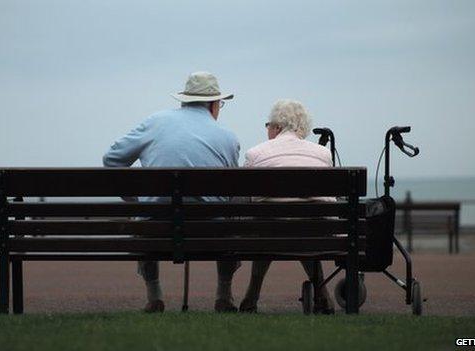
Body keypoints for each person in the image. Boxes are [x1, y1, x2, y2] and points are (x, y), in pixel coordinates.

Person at [102, 72, 241, 313]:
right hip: (211, 233)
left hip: (155, 229)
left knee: (144, 217)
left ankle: (154, 295)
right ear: (212, 104)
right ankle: (223, 295)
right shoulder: (228, 137)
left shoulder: (155, 122)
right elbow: (230, 192)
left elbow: (112, 160)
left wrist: (137, 200)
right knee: (228, 219)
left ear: (184, 100)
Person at [239, 99, 335, 314]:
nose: (267, 130)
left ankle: (251, 297)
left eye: (268, 126)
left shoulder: (255, 154)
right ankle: (323, 296)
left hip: (269, 231)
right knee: (302, 228)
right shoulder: (323, 154)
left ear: (277, 127)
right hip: (315, 233)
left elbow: (246, 196)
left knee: (269, 226)